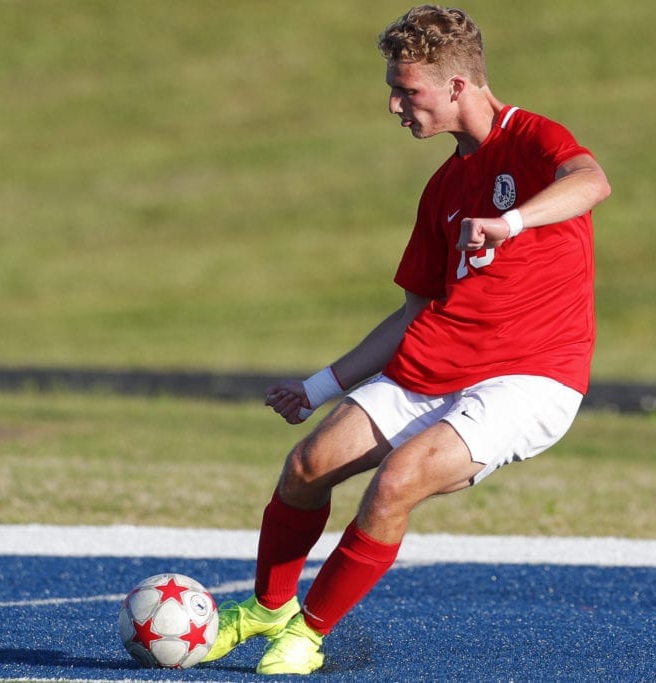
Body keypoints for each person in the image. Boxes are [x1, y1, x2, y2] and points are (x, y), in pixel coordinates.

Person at [202, 4, 610, 675]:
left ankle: (307, 633)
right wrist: (317, 387)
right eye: (393, 88)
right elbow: (413, 312)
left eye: (406, 89)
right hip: (438, 363)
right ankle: (268, 608)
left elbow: (592, 182)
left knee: (398, 481)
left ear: (457, 86)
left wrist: (510, 222)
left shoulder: (534, 137)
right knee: (307, 467)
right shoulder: (444, 185)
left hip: (533, 377)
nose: (394, 104)